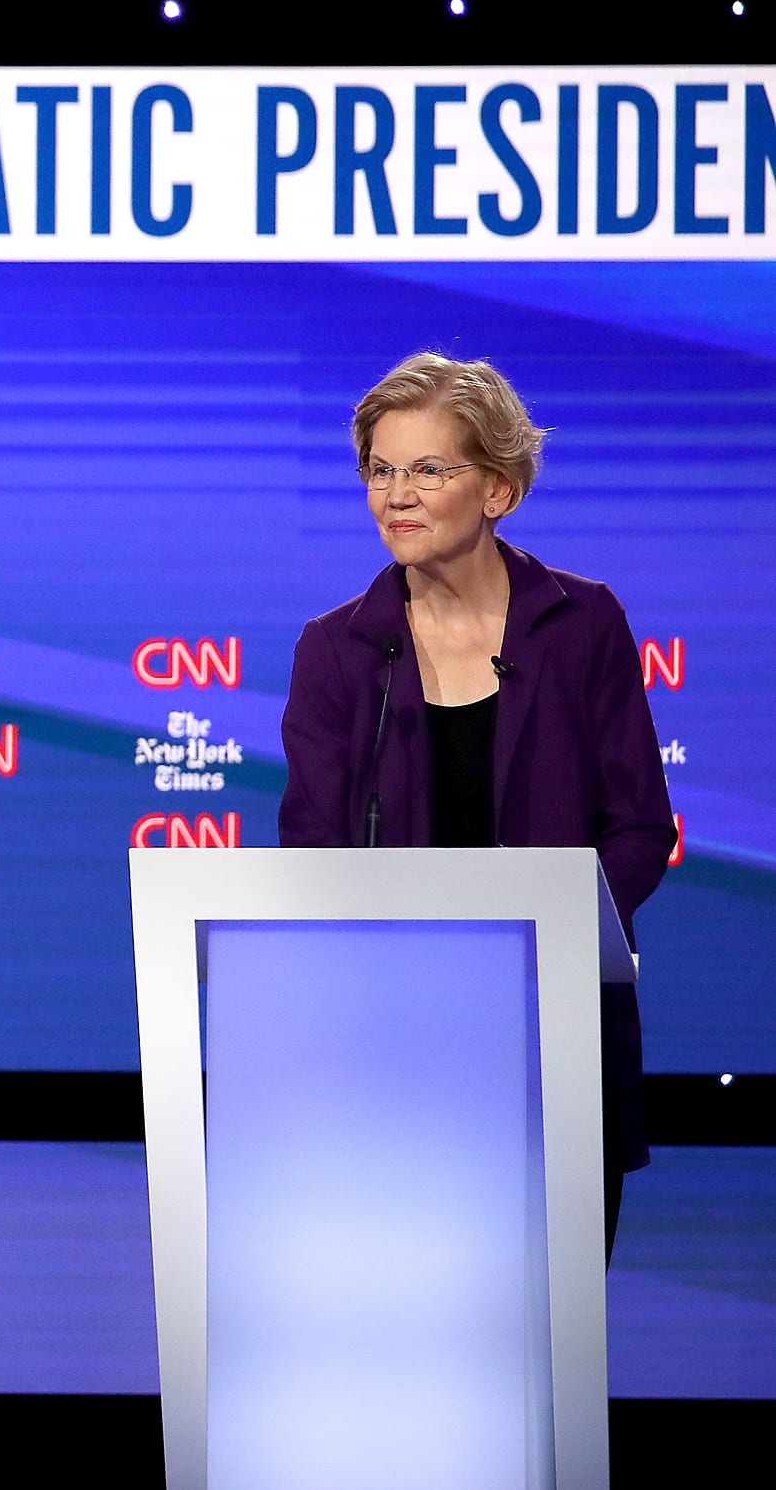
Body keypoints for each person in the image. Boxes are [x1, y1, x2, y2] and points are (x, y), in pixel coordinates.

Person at [278, 352, 674, 1257]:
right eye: (380, 469)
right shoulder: (338, 650)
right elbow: (312, 843)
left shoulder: (583, 625)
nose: (396, 495)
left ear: (497, 489)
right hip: (390, 1051)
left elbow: (641, 825)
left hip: (556, 1036)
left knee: (548, 1358)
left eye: (427, 469)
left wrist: (541, 940)